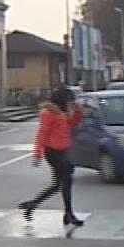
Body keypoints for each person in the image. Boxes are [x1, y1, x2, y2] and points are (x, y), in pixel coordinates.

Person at [20, 86, 86, 227]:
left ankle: (33, 205)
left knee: (58, 185)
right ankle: (68, 214)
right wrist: (37, 154)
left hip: (64, 150)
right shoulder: (48, 113)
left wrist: (78, 113)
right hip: (54, 152)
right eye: (69, 100)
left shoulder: (61, 112)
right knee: (66, 182)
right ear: (62, 99)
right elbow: (42, 134)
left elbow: (71, 124)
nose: (70, 103)